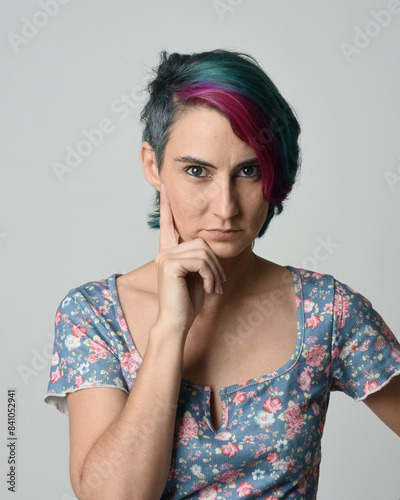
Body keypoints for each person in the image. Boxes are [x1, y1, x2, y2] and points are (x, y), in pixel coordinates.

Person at [44, 49, 400, 500]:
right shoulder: (92, 316)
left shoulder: (326, 312)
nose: (226, 207)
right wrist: (170, 330)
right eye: (197, 171)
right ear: (153, 167)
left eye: (248, 171)